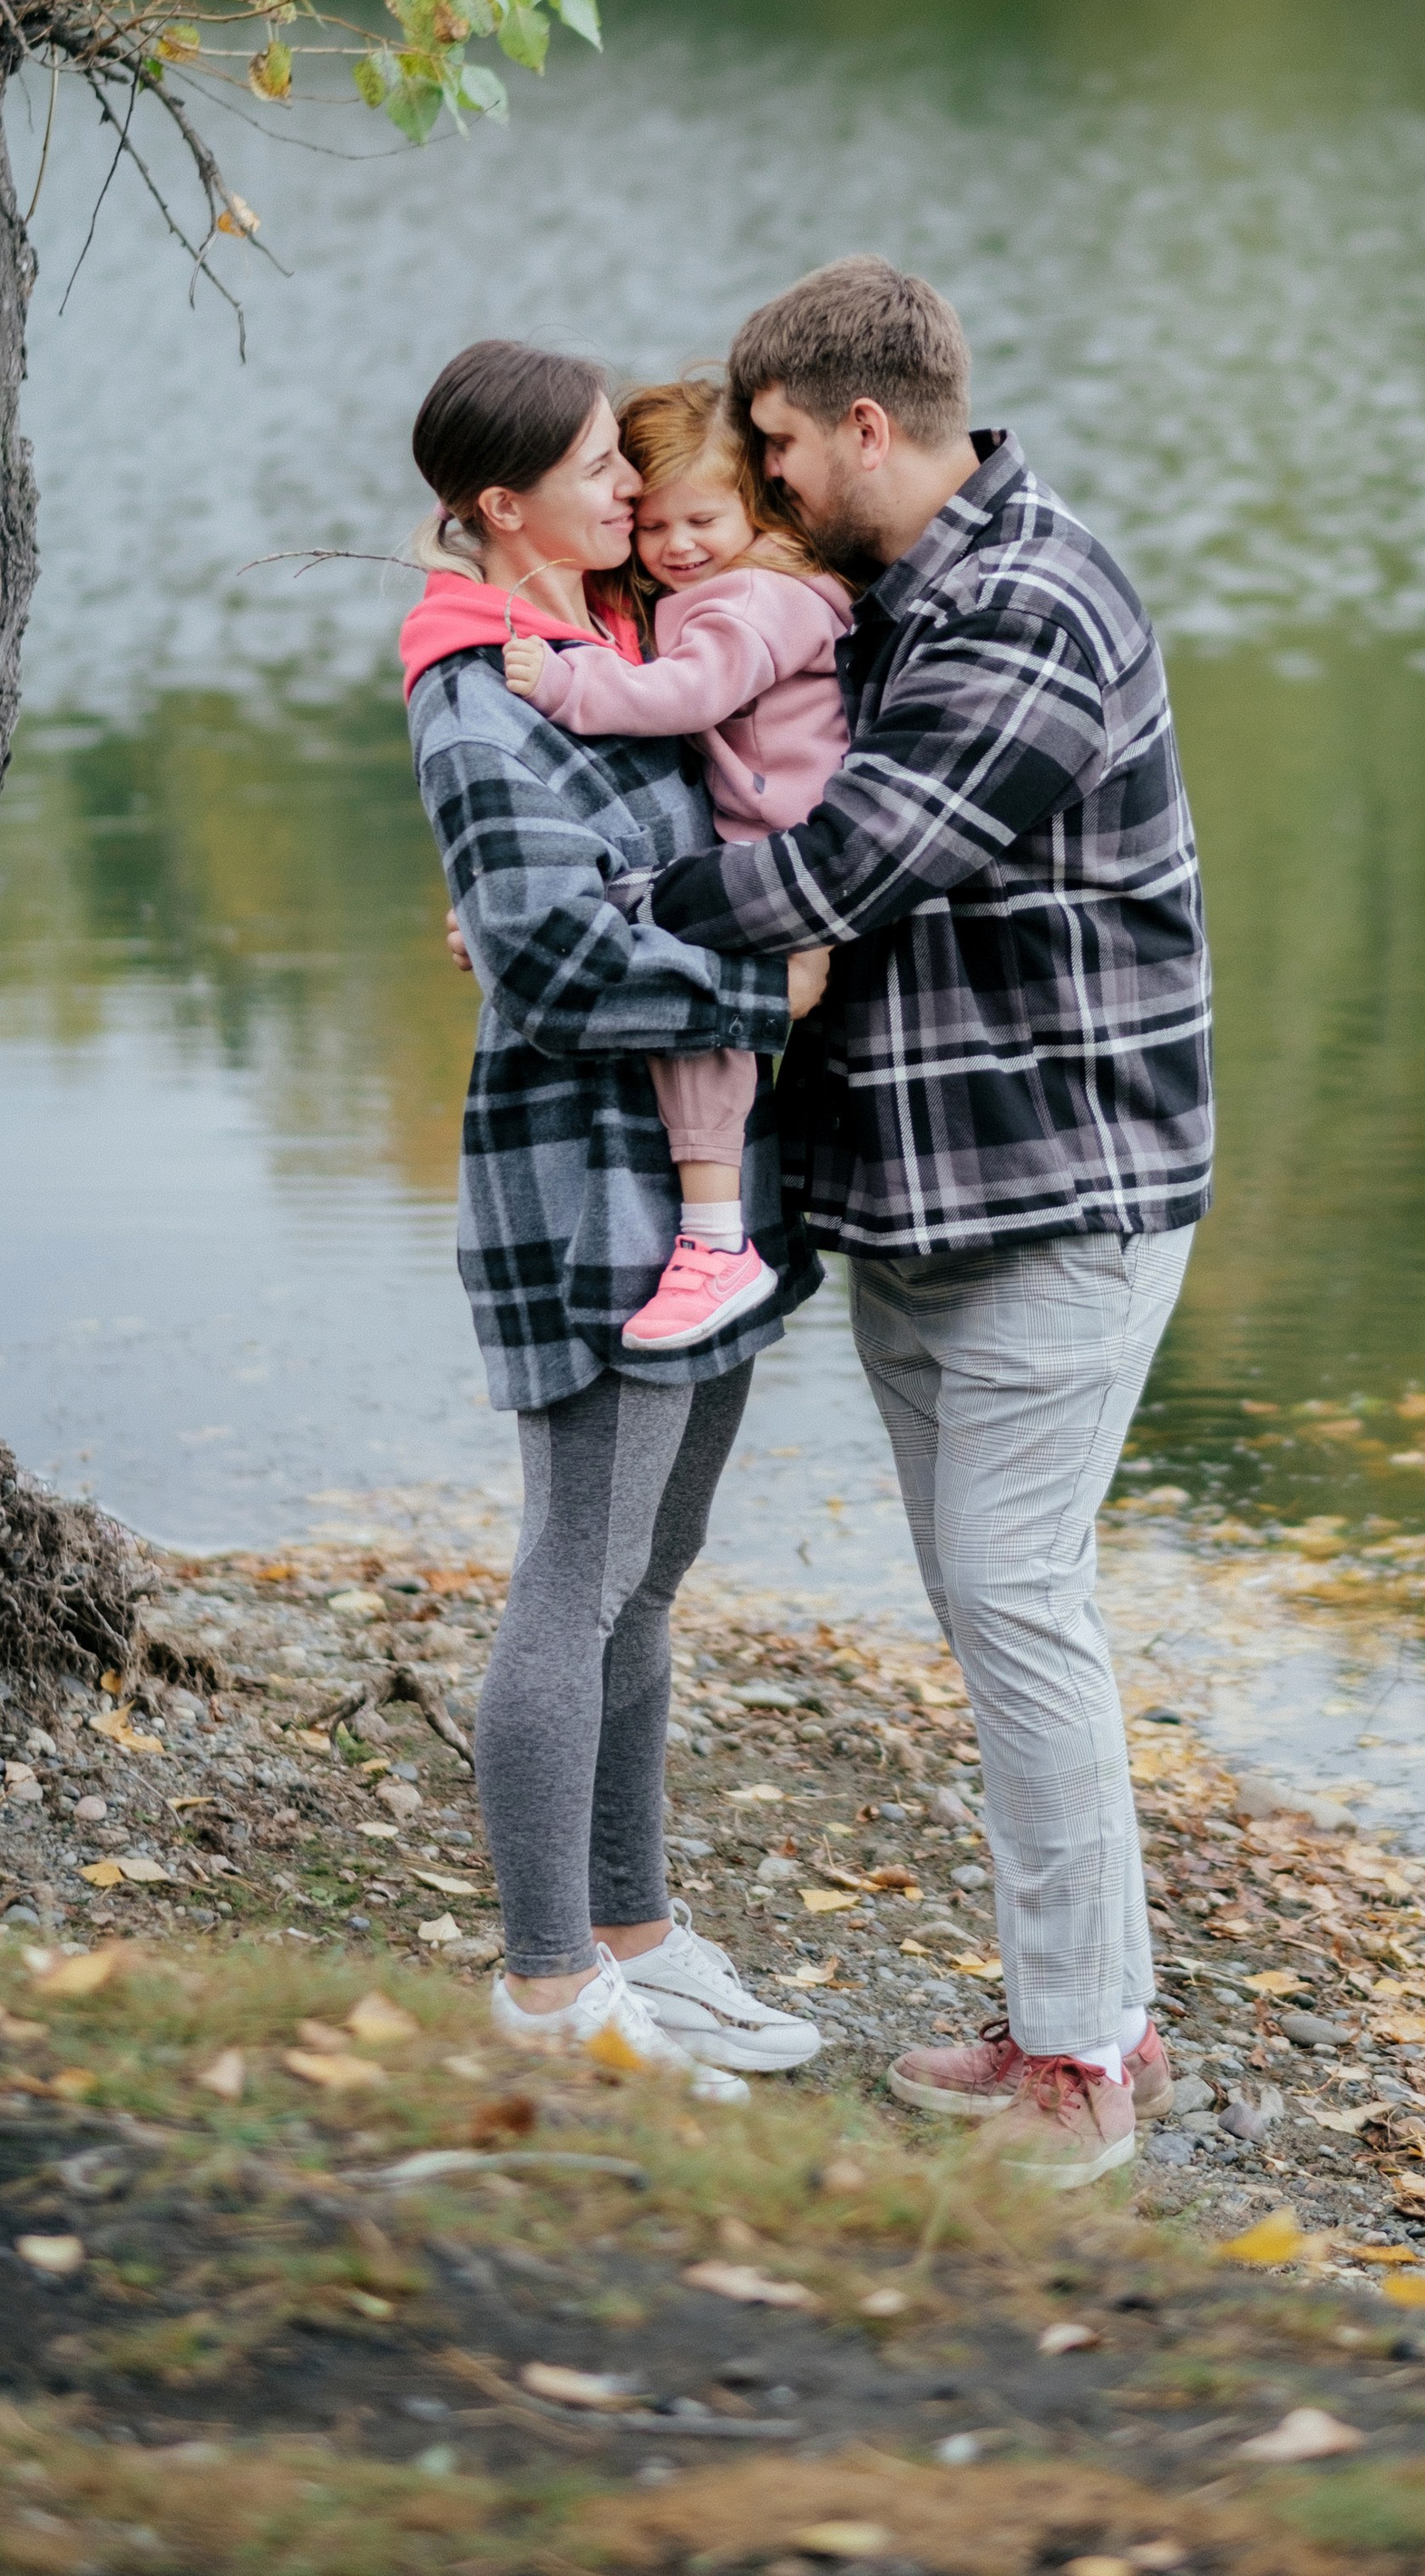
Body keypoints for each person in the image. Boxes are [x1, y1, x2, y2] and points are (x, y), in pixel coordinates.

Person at [639, 257, 1215, 2187]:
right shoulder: (874, 600)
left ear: (866, 422)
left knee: (1016, 1603)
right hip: (926, 1202)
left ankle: (1080, 2068)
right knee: (998, 1615)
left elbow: (854, 863)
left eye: (781, 448)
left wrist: (592, 918)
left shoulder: (1029, 601)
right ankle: (1088, 2014)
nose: (768, 481)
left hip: (1064, 1192)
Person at [403, 337, 831, 2098]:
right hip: (584, 1187)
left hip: (702, 1189)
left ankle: (636, 1930)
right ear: (501, 506)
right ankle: (547, 1987)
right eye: (595, 471)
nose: (631, 495)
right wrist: (775, 1002)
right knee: (574, 1577)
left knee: (649, 1573)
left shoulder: (611, 644)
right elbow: (554, 954)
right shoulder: (477, 684)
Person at [501, 370, 850, 1358]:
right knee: (695, 1004)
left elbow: (693, 692)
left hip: (785, 852)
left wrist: (570, 682)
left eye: (702, 518)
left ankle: (714, 1240)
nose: (677, 546)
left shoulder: (754, 602)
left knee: (696, 1019)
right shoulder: (735, 582)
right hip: (768, 841)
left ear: (755, 505)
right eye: (653, 527)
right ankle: (725, 1234)